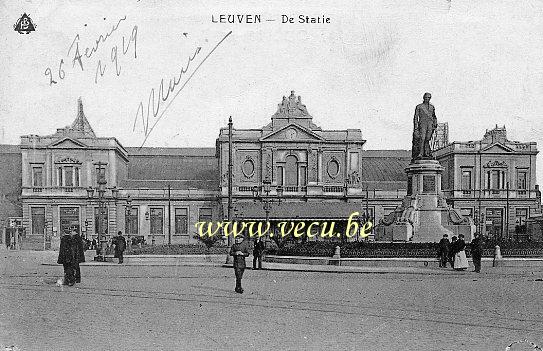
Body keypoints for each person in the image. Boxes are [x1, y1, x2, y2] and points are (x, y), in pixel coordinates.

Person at [412, 92, 438, 160]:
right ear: (423, 98)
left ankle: (426, 153)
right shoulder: (419, 106)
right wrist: (415, 127)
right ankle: (420, 153)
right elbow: (415, 117)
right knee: (422, 139)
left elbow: (434, 116)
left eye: (429, 98)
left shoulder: (432, 107)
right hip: (422, 124)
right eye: (426, 97)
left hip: (430, 125)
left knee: (427, 139)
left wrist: (435, 123)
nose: (427, 99)